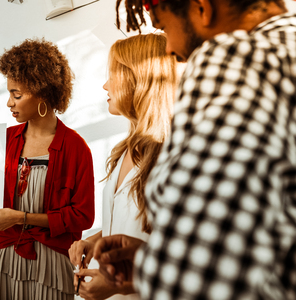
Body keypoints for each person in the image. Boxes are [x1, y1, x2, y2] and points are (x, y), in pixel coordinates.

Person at [94, 0, 296, 299]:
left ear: (202, 8)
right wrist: (149, 260)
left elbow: (198, 276)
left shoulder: (237, 56)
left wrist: (152, 267)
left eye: (164, 27)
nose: (170, 51)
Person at [0, 38, 95, 300]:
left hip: (52, 265)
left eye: (16, 94)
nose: (9, 102)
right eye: (9, 94)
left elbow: (83, 216)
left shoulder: (76, 147)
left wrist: (21, 218)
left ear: (43, 92)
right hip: (6, 259)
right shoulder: (4, 141)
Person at [68, 34, 176, 300]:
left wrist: (127, 284)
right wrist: (94, 240)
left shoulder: (175, 156)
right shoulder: (125, 150)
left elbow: (193, 254)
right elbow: (135, 225)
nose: (106, 85)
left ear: (139, 79)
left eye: (113, 75)